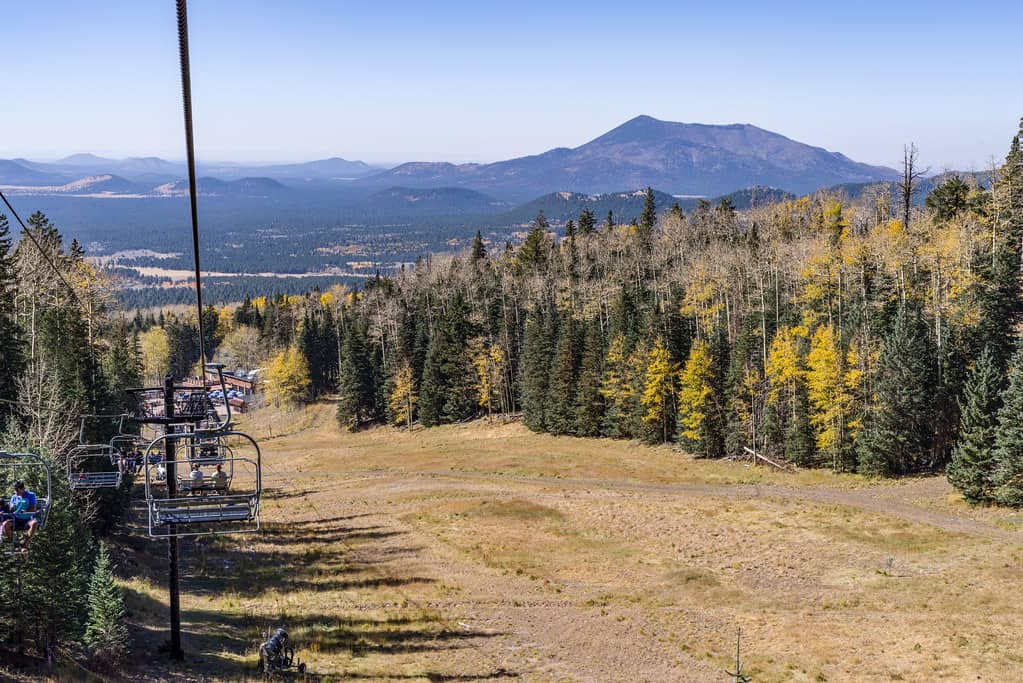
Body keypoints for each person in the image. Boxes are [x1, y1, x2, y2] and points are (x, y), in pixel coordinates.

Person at [1, 481, 39, 548]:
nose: (16, 492)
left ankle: (25, 542)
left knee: (34, 523)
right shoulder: (14, 497)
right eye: (15, 490)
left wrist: (26, 511)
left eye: (17, 490)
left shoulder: (31, 495)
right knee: (5, 524)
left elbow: (33, 508)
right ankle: (15, 543)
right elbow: (11, 508)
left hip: (27, 519)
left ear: (22, 489)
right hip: (16, 519)